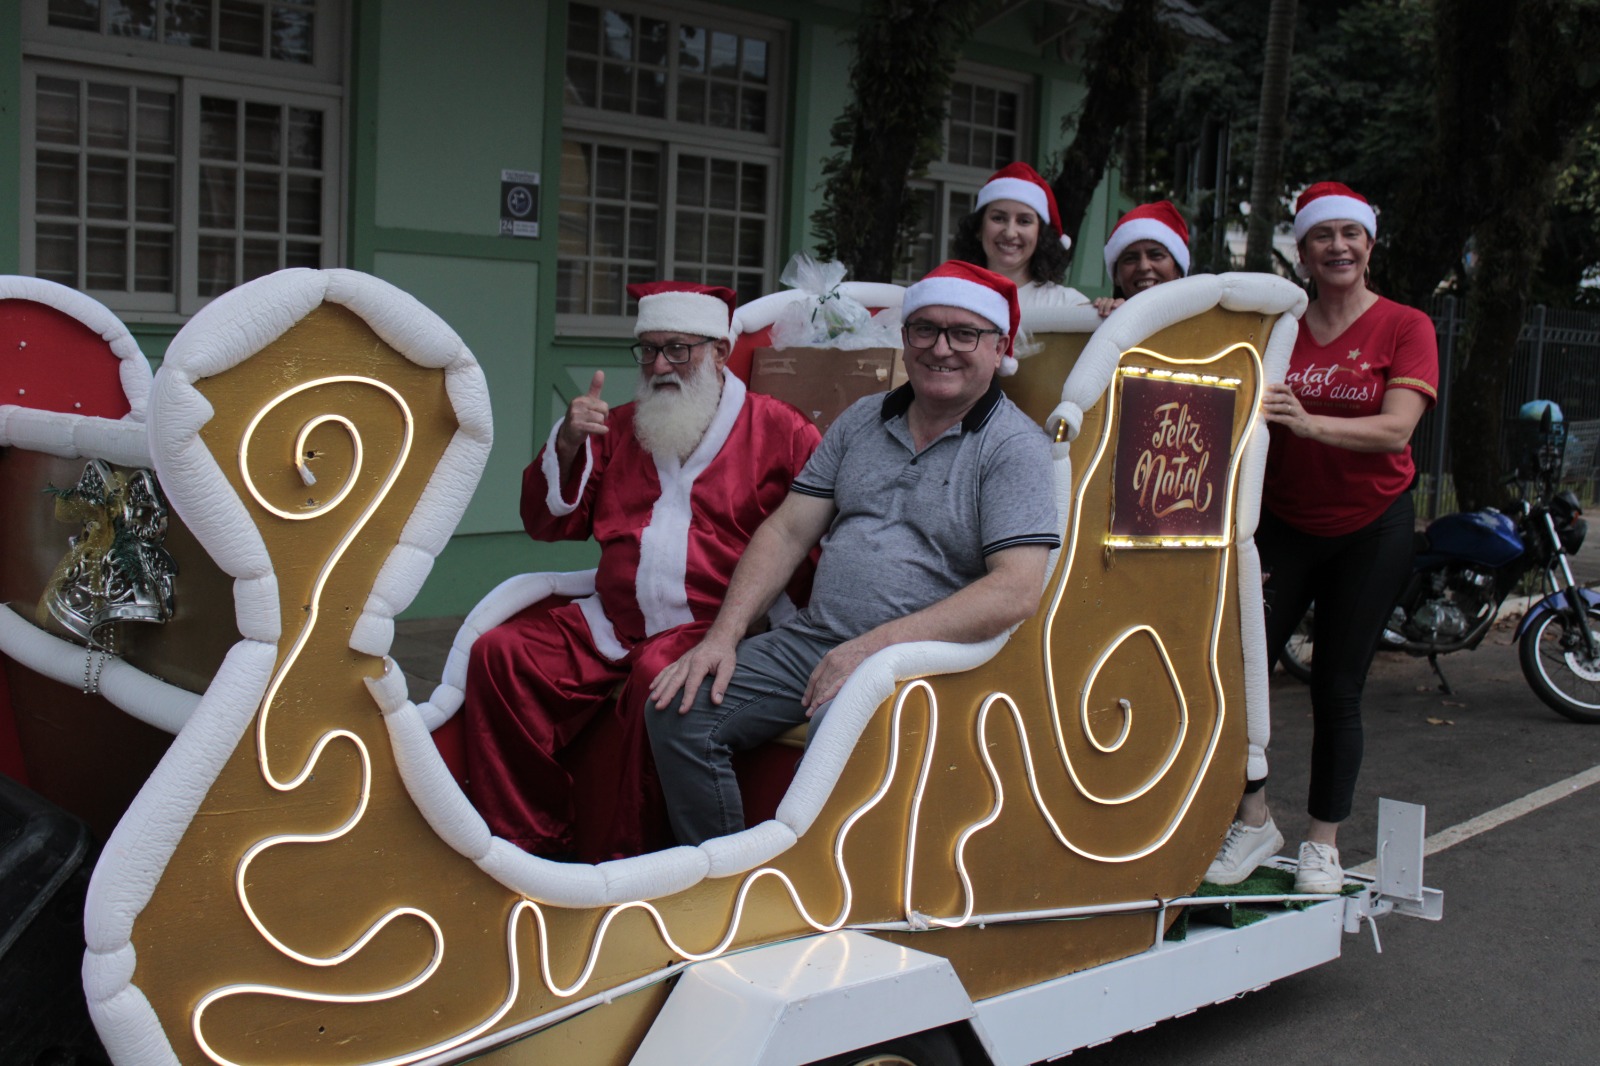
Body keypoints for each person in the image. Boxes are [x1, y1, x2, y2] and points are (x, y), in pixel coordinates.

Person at [645, 261, 1062, 846]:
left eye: (964, 334)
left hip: (921, 662)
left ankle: (822, 891)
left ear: (998, 348)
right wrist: (723, 638)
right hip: (817, 639)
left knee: (840, 731)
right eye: (925, 330)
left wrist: (872, 650)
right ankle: (722, 871)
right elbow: (787, 531)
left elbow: (1015, 589)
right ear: (905, 339)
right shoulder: (864, 418)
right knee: (680, 709)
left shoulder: (1014, 447)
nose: (941, 348)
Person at [461, 281, 821, 862]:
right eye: (649, 350)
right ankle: (527, 844)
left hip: (714, 625)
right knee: (501, 656)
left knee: (664, 680)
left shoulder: (781, 431)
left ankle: (635, 864)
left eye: (678, 349)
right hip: (615, 620)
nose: (659, 366)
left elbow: (815, 540)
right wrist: (569, 443)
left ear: (720, 352)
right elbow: (549, 524)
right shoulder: (624, 426)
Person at [1206, 182, 1438, 892]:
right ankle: (1253, 818)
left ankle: (1323, 843)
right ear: (1302, 252)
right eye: (1322, 237)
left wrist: (1308, 424)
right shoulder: (1280, 324)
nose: (1338, 247)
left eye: (1350, 234)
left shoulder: (1405, 325)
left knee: (1337, 688)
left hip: (1372, 527)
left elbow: (1396, 429)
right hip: (1281, 525)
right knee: (1237, 680)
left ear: (1369, 244)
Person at [953, 162, 1088, 310]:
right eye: (998, 218)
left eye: (1024, 221)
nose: (1010, 233)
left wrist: (1107, 310)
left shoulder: (1067, 304)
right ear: (979, 228)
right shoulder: (950, 296)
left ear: (1040, 234)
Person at [1092, 200, 1191, 316]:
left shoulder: (1204, 320)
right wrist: (1104, 315)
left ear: (1177, 269)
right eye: (1130, 259)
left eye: (1156, 255)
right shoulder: (1103, 320)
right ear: (1116, 276)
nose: (1144, 267)